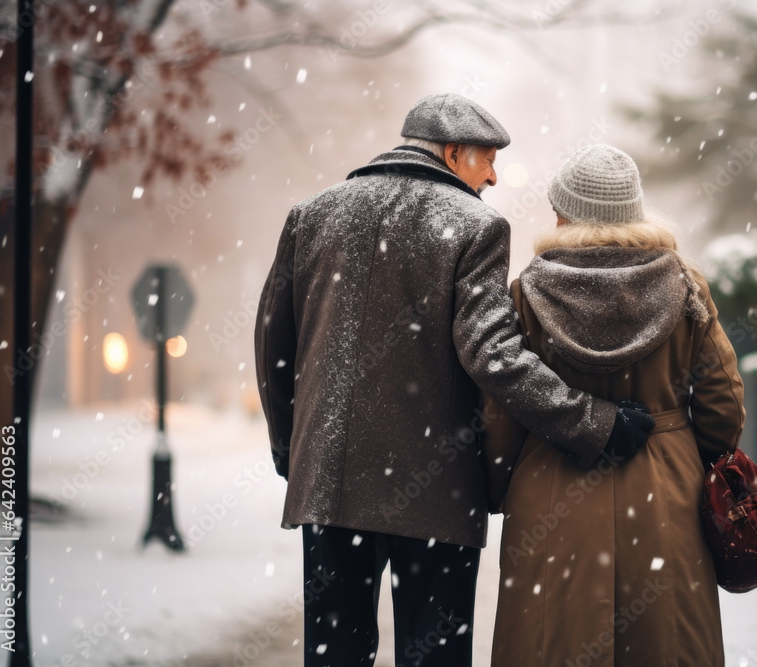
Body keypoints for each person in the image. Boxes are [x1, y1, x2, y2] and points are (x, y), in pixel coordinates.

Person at [254, 96, 655, 667]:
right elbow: (494, 357)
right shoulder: (477, 226)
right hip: (433, 497)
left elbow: (274, 344)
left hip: (328, 486)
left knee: (334, 655)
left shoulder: (314, 214)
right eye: (487, 159)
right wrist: (595, 423)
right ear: (452, 152)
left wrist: (290, 446)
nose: (493, 175)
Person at [484, 144, 745, 667]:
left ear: (569, 213)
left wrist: (499, 484)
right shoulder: (684, 285)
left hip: (552, 487)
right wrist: (702, 464)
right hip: (666, 492)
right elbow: (722, 399)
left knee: (551, 639)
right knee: (667, 641)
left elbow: (503, 409)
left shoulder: (528, 291)